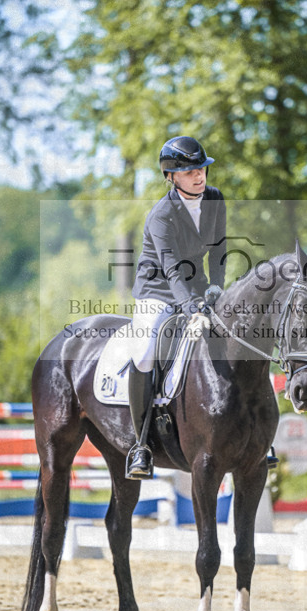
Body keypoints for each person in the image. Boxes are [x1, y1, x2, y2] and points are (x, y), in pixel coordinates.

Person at [125, 135, 226, 479]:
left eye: (202, 168)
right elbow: (170, 269)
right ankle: (140, 445)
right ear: (171, 176)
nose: (200, 176)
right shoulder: (161, 215)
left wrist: (217, 288)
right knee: (144, 350)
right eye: (190, 171)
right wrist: (191, 308)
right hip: (158, 290)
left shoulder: (214, 199)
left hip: (197, 286)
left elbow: (220, 250)